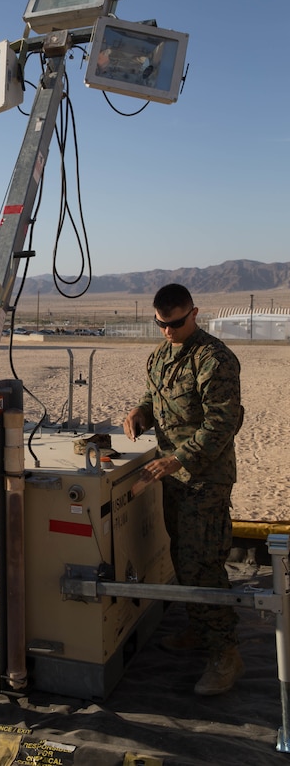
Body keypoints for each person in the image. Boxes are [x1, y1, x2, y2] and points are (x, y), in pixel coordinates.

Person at [123, 284, 244, 697]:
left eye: (175, 323)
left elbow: (223, 424)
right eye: (161, 324)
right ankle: (198, 628)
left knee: (205, 564)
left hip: (205, 479)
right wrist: (140, 412)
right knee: (183, 556)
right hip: (173, 478)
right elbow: (153, 397)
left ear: (195, 313)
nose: (168, 331)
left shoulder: (215, 359)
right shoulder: (159, 357)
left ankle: (225, 653)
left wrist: (179, 458)